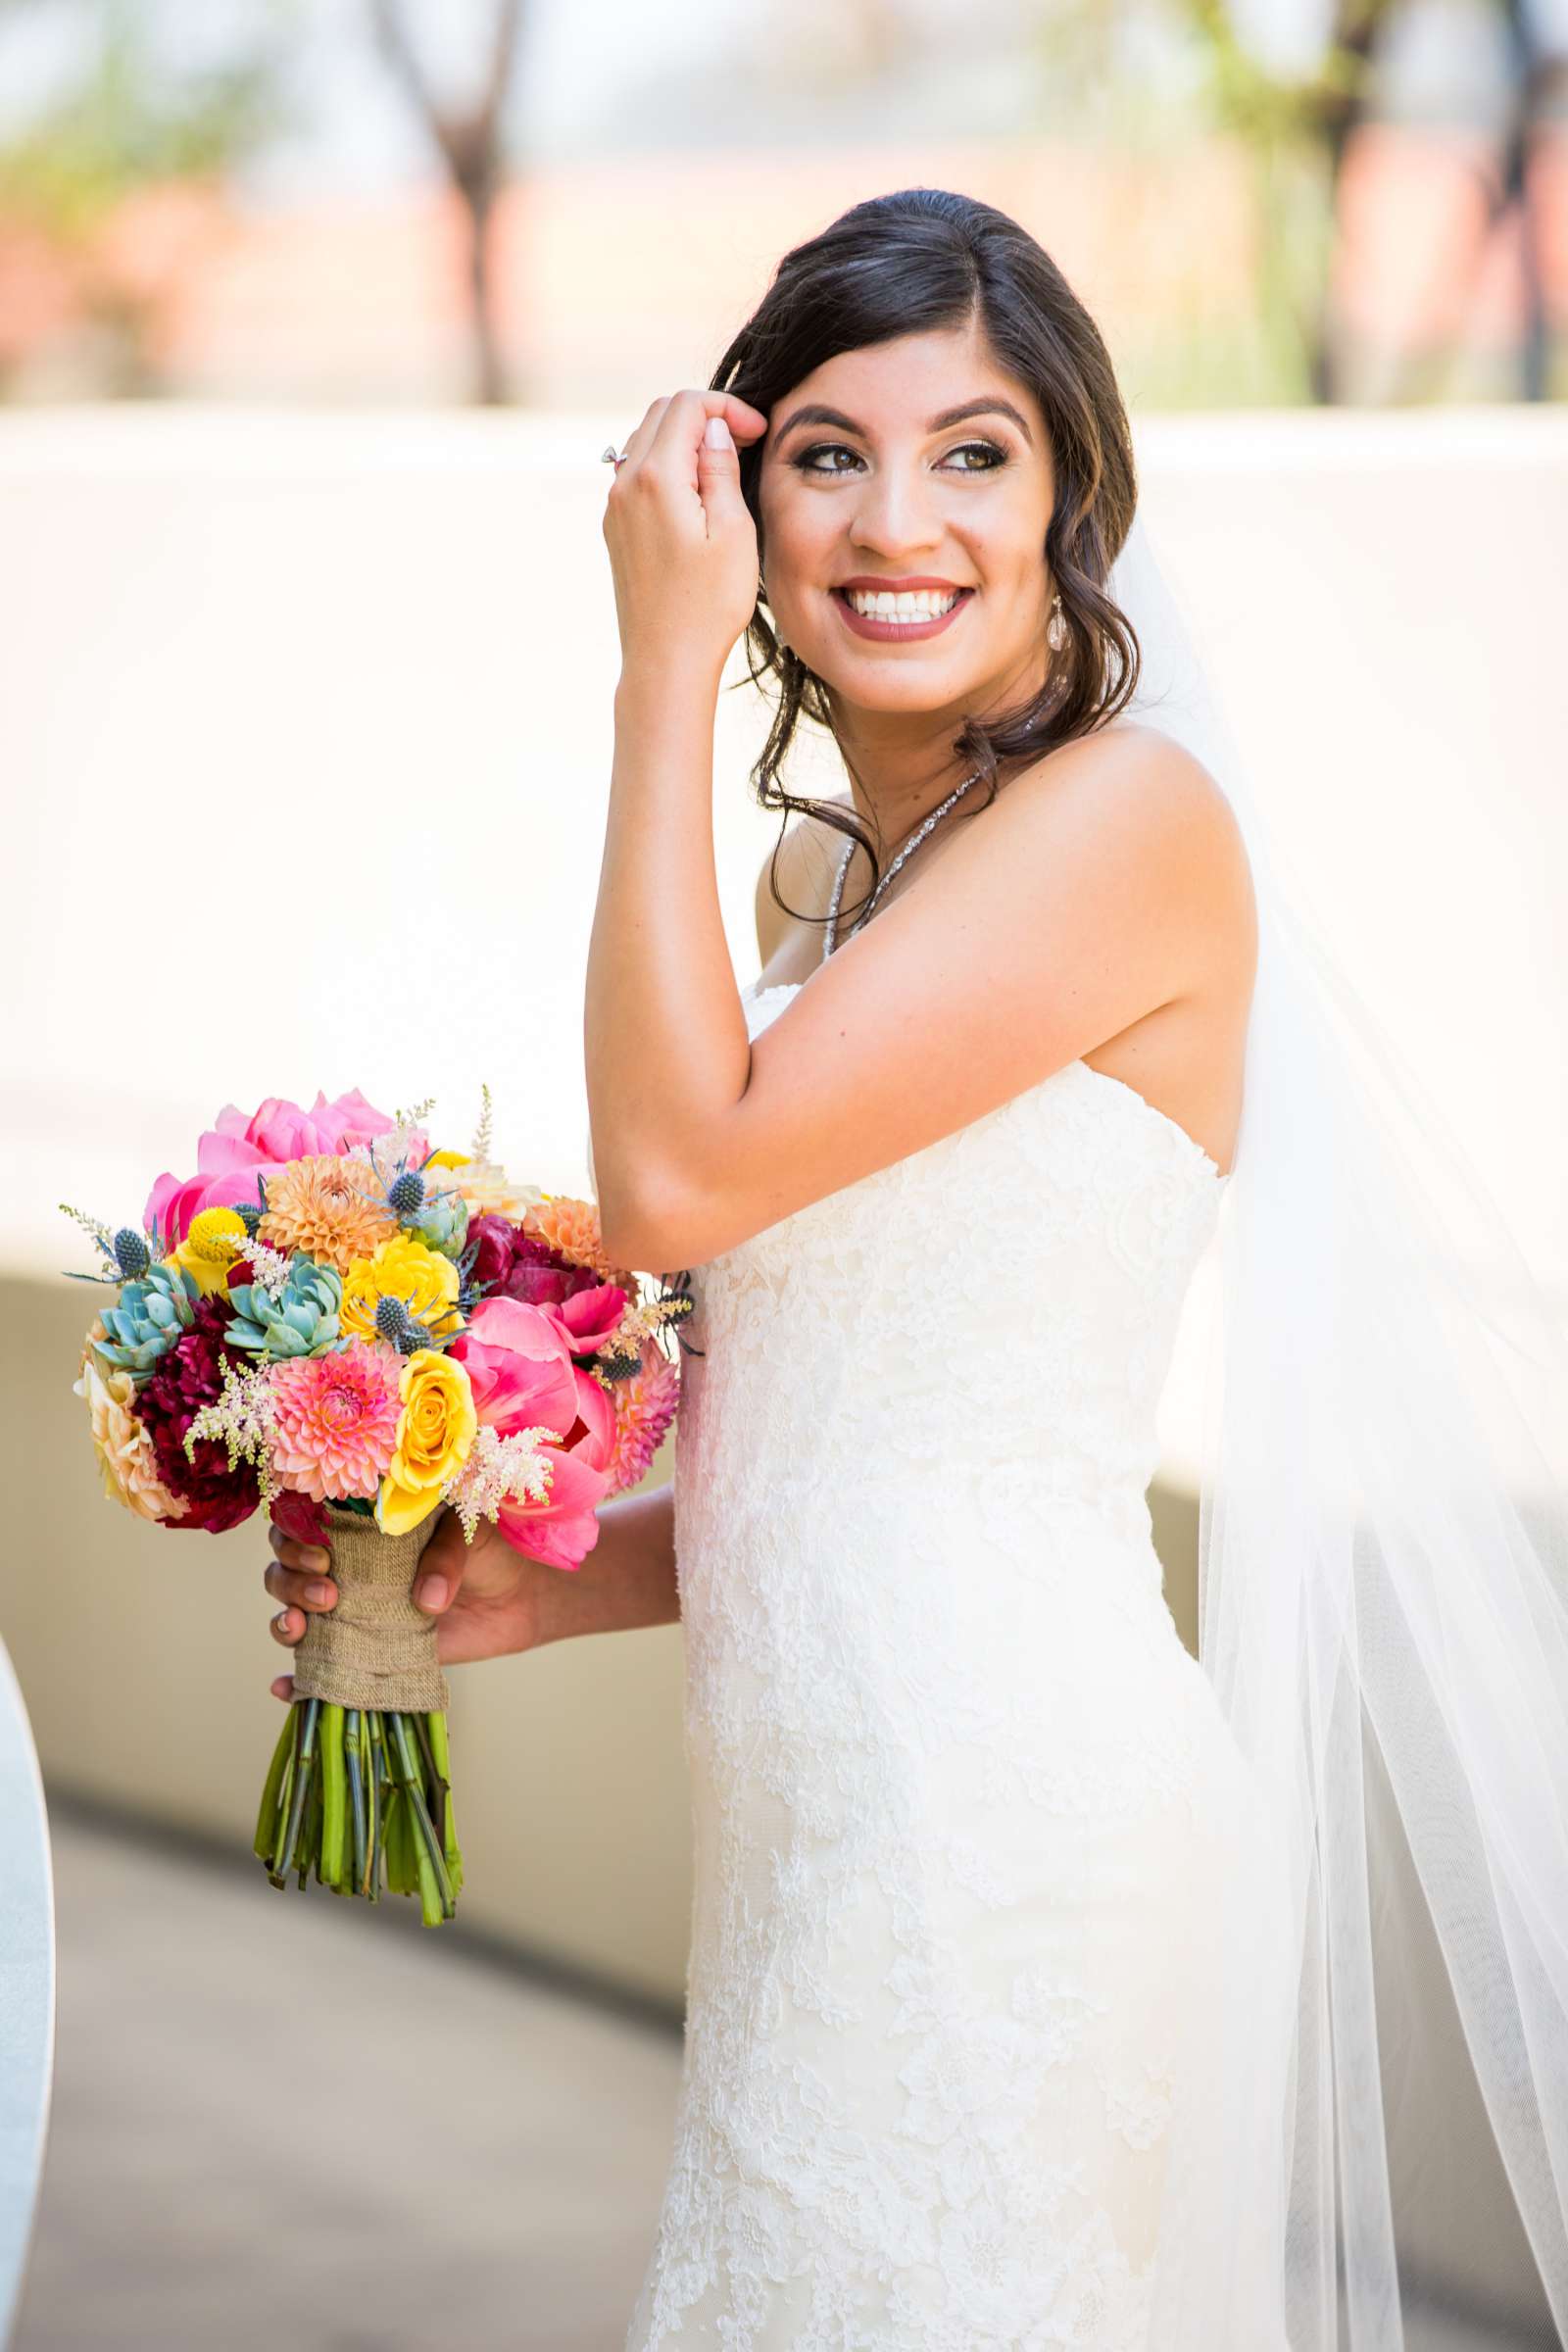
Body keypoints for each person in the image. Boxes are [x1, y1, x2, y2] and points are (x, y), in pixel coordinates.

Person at [263, 189, 1568, 2349]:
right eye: (827, 454)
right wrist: (565, 1576)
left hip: (1005, 1834)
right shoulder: (816, 874)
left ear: (1070, 501)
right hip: (822, 1828)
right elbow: (880, 1415)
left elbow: (674, 1187)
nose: (898, 521)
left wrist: (655, 670)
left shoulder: (1122, 823)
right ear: (746, 489)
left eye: (974, 453)